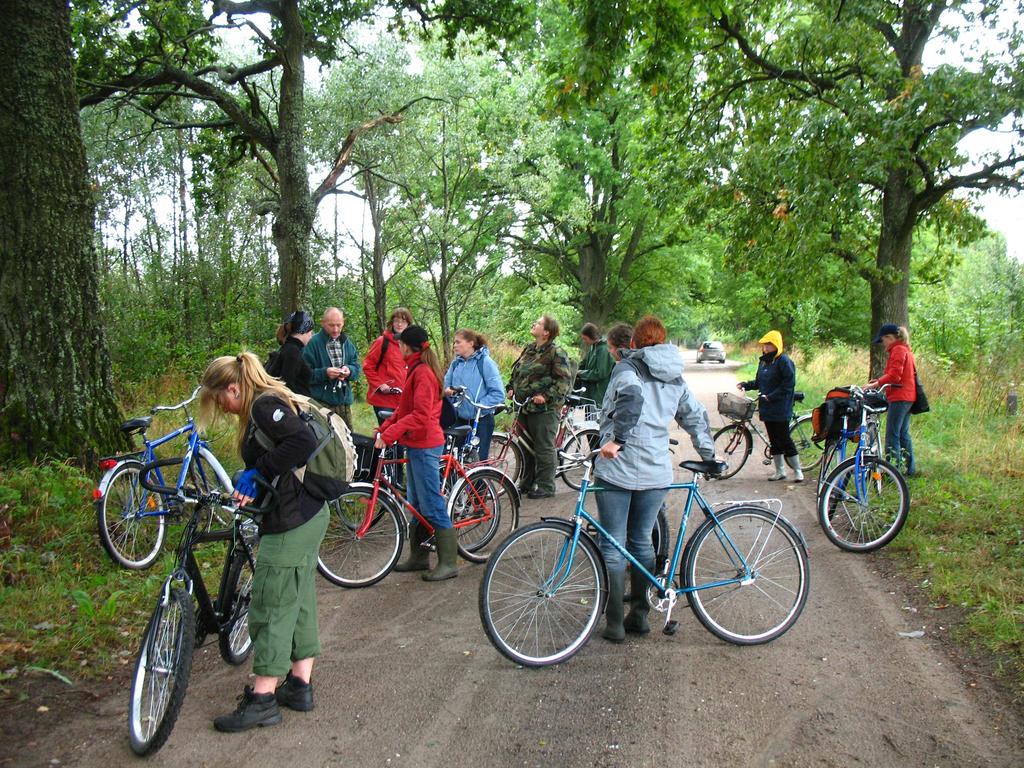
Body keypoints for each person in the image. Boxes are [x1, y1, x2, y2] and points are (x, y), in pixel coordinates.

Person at [198, 352, 329, 732]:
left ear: (233, 388)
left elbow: (301, 442)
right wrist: (257, 472)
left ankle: (263, 699)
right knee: (299, 599)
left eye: (219, 398)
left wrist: (259, 471)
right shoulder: (268, 401)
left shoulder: (263, 405)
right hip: (308, 514)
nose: (220, 408)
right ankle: (299, 686)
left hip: (291, 521)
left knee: (271, 604)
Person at [595, 315, 716, 642]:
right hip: (655, 471)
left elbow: (631, 400)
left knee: (613, 544)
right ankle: (640, 615)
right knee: (641, 540)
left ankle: (615, 623)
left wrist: (617, 440)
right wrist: (710, 454)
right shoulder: (674, 377)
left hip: (616, 468)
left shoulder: (627, 369)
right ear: (662, 342)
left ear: (632, 343)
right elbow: (695, 416)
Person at [377, 325, 458, 581]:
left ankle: (449, 563)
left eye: (400, 344)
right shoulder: (413, 369)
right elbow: (403, 410)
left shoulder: (423, 373)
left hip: (425, 444)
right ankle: (419, 557)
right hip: (415, 444)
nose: (397, 347)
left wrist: (390, 435)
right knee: (417, 503)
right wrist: (384, 430)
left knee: (431, 503)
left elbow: (421, 415)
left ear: (407, 347)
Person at [508, 315, 572, 499]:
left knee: (544, 447)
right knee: (526, 447)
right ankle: (527, 483)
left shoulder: (556, 352)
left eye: (538, 323)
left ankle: (546, 486)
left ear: (546, 332)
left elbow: (563, 381)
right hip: (524, 407)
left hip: (544, 410)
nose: (533, 324)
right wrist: (511, 387)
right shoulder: (529, 349)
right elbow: (517, 371)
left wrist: (545, 396)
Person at [738, 330, 801, 482]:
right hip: (767, 407)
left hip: (781, 406)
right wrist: (746, 385)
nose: (765, 348)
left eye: (769, 345)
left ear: (776, 345)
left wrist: (771, 396)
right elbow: (759, 382)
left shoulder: (784, 361)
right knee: (773, 439)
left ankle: (798, 471)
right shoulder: (764, 362)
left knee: (784, 438)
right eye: (764, 345)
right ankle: (780, 471)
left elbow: (788, 385)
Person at [443, 329, 505, 459]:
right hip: (459, 419)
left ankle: (480, 479)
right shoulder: (456, 364)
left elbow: (498, 394)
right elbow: (444, 387)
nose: (454, 345)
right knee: (454, 459)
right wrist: (448, 391)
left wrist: (478, 406)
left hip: (481, 420)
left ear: (471, 343)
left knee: (476, 463)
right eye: (454, 342)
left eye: (458, 342)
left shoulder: (485, 363)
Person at [867, 323, 917, 476]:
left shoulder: (898, 350)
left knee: (892, 435)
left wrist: (876, 383)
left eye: (883, 340)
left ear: (889, 337)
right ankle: (910, 469)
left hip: (900, 397)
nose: (883, 344)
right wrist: (879, 380)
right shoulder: (904, 350)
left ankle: (892, 472)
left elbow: (895, 376)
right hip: (908, 396)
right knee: (903, 434)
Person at [303, 307, 361, 430]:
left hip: (344, 403)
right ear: (322, 322)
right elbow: (303, 374)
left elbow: (357, 368)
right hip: (321, 403)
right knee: (326, 444)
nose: (335, 329)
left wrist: (349, 370)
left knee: (348, 441)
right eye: (331, 325)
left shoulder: (346, 342)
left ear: (343, 323)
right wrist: (325, 373)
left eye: (338, 325)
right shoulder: (313, 343)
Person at [363, 307, 413, 425]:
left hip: (404, 400)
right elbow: (367, 366)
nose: (399, 324)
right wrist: (380, 385)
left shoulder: (412, 345)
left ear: (408, 324)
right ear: (392, 323)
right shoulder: (382, 342)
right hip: (384, 399)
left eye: (403, 321)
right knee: (387, 433)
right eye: (396, 320)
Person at [266, 310, 314, 396]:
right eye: (310, 332)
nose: (311, 336)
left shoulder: (289, 348)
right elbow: (287, 384)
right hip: (293, 404)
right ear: (303, 331)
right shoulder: (292, 352)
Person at [576, 322, 615, 407]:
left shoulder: (603, 350)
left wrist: (580, 373)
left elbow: (600, 373)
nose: (584, 341)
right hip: (589, 394)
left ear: (592, 337)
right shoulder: (593, 347)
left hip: (598, 396)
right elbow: (584, 363)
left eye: (585, 338)